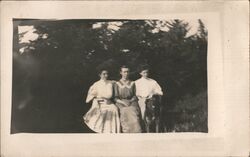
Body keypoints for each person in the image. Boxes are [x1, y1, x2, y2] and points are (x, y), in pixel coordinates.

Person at [83, 68, 120, 133]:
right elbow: (90, 97)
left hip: (109, 103)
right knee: (103, 111)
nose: (106, 75)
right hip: (101, 103)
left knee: (115, 109)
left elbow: (118, 83)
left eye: (107, 74)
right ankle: (102, 131)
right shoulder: (96, 84)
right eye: (104, 74)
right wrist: (96, 99)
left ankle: (112, 131)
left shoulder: (110, 83)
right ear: (100, 75)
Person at [114, 65, 142, 133]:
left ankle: (136, 132)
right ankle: (126, 132)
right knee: (124, 111)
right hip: (121, 102)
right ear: (121, 73)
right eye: (124, 72)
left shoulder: (132, 83)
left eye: (127, 72)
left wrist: (131, 101)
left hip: (132, 101)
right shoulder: (117, 84)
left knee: (134, 111)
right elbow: (115, 97)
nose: (126, 73)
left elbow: (135, 95)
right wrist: (123, 102)